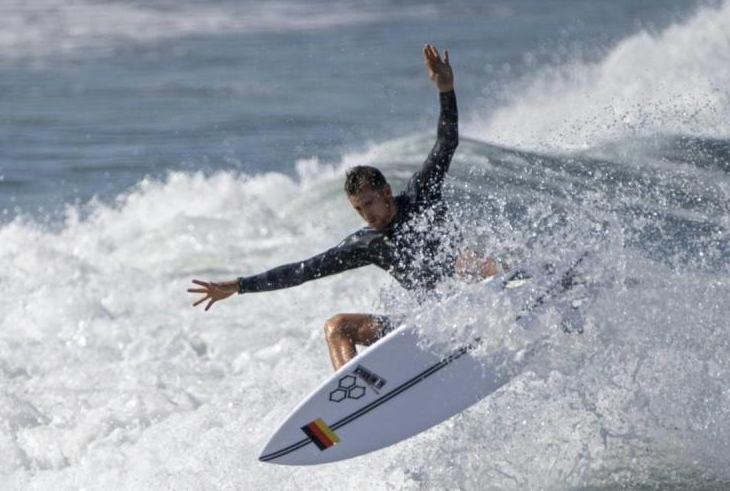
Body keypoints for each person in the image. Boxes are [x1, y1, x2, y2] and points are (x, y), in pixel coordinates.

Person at [189, 44, 500, 370]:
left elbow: (446, 142)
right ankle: (356, 393)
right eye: (359, 209)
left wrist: (445, 89)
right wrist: (240, 285)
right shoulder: (368, 244)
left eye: (369, 204)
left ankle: (521, 288)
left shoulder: (421, 195)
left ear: (386, 192)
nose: (367, 214)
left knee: (466, 259)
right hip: (428, 326)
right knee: (337, 327)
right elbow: (302, 270)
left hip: (477, 306)